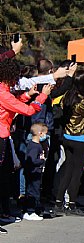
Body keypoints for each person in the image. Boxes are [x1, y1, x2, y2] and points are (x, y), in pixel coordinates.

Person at [0, 57, 49, 231]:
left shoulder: (4, 91)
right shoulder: (3, 93)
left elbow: (14, 103)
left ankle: (4, 212)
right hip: (1, 136)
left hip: (4, 136)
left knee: (5, 175)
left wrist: (28, 95)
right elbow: (27, 110)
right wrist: (42, 96)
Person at [54, 71, 84, 217]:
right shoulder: (82, 101)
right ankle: (72, 204)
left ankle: (58, 202)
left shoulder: (67, 96)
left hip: (68, 136)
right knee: (76, 173)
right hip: (79, 138)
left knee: (68, 171)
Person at [23, 123, 48, 221]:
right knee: (34, 192)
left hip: (33, 172)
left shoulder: (32, 144)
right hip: (34, 173)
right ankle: (31, 211)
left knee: (31, 191)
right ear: (40, 133)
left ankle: (29, 210)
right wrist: (41, 160)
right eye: (45, 133)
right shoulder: (35, 146)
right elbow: (33, 160)